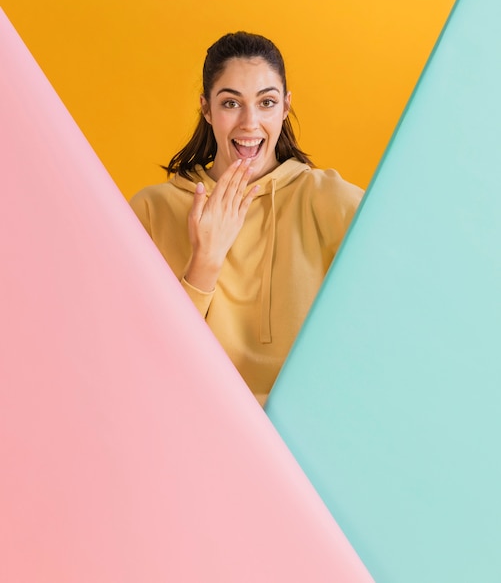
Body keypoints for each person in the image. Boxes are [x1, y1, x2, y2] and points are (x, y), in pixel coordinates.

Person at [130, 31, 363, 406]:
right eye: (231, 103)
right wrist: (205, 262)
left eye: (266, 102)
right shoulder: (150, 212)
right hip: (194, 432)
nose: (250, 123)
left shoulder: (328, 200)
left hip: (302, 437)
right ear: (206, 109)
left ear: (285, 107)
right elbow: (140, 361)